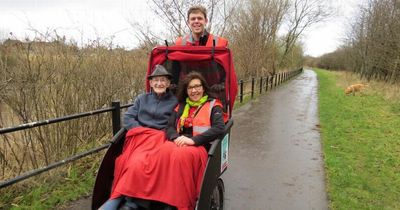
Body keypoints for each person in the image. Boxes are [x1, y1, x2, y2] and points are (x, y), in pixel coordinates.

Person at [99, 64, 177, 210]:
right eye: (156, 80)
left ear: (168, 83)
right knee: (126, 161)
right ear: (151, 83)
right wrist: (140, 131)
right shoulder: (142, 99)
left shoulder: (174, 102)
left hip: (160, 138)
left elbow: (174, 124)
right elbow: (128, 117)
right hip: (140, 137)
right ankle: (127, 198)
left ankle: (133, 201)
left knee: (144, 163)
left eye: (163, 80)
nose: (159, 83)